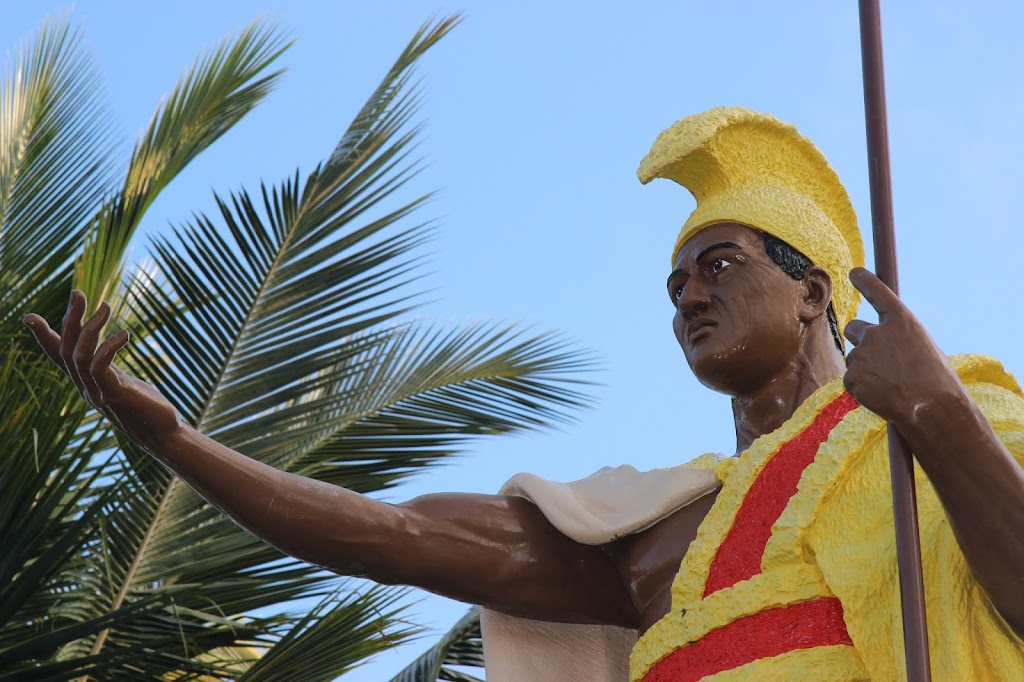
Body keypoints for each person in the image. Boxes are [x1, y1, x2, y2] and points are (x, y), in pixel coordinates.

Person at [24, 107, 1024, 681]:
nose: (689, 295)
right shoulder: (655, 527)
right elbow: (391, 535)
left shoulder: (926, 423)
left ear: (813, 292)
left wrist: (933, 412)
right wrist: (175, 441)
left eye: (717, 264)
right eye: (673, 283)